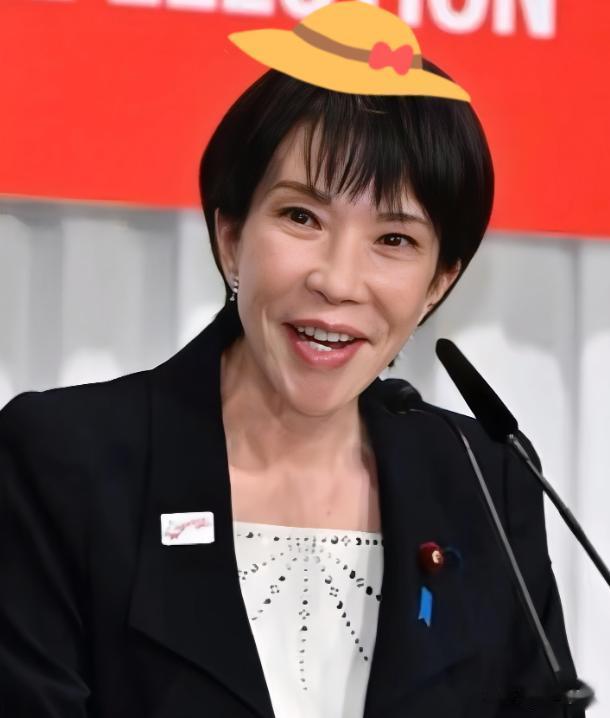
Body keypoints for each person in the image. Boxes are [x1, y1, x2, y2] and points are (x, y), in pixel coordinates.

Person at [0, 2, 585, 717]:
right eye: (301, 217)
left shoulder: (484, 479)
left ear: (439, 282)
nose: (338, 281)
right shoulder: (65, 461)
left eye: (394, 240)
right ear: (230, 236)